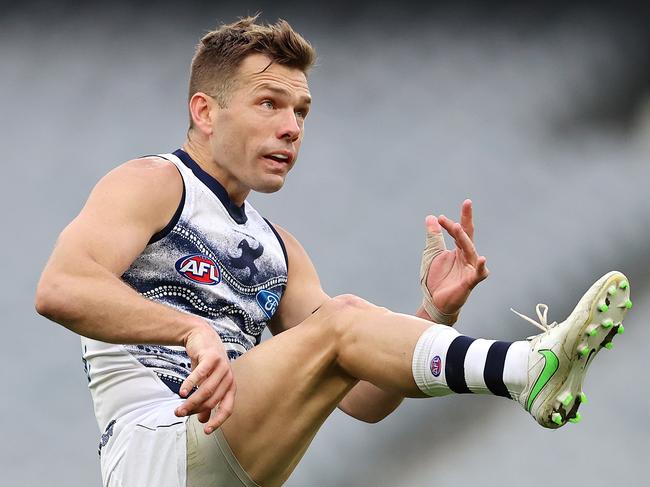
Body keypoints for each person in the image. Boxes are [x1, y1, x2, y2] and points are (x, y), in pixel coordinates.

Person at [35, 16, 632, 487]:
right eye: (269, 104)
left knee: (343, 326)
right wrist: (193, 331)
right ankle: (527, 369)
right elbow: (60, 287)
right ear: (205, 111)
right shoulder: (153, 182)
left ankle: (526, 372)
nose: (292, 126)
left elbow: (363, 401)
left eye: (301, 111)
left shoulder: (279, 249)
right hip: (156, 451)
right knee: (342, 319)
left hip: (227, 461)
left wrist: (432, 316)